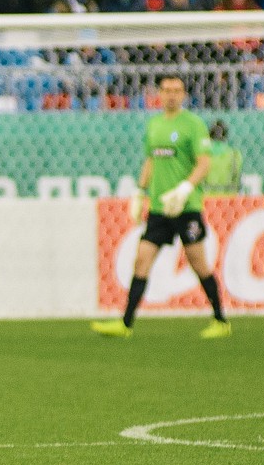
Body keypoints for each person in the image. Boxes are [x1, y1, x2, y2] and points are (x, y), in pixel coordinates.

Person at [91, 75, 231, 339]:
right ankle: (126, 324)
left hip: (185, 206)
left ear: (184, 94)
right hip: (158, 207)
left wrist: (185, 188)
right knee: (142, 260)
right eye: (166, 90)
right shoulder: (154, 125)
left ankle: (221, 320)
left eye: (176, 90)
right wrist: (138, 192)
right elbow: (150, 161)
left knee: (198, 263)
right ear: (159, 93)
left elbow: (203, 162)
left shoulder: (193, 125)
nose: (171, 95)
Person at [203, 119, 243, 194]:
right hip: (228, 200)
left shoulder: (203, 154)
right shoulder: (234, 155)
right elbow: (237, 180)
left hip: (206, 199)